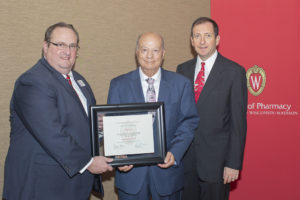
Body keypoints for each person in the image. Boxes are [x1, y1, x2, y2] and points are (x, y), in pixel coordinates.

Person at [2, 22, 113, 200]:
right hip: (41, 186)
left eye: (72, 45)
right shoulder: (32, 82)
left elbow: (80, 126)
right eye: (60, 44)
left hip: (73, 185)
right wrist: (89, 162)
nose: (67, 51)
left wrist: (100, 127)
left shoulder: (80, 81)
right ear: (45, 46)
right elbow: (52, 134)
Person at [107, 32, 199, 200]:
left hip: (168, 174)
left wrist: (175, 151)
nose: (149, 56)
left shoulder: (181, 84)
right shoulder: (118, 85)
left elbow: (189, 122)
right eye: (144, 50)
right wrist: (119, 157)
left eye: (155, 50)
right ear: (136, 52)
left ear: (163, 53)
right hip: (131, 176)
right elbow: (112, 126)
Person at [176, 17, 248, 200]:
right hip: (186, 162)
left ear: (217, 39)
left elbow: (238, 123)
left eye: (207, 35)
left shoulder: (234, 72)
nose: (202, 41)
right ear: (191, 41)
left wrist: (233, 163)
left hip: (217, 164)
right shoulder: (182, 70)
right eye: (197, 36)